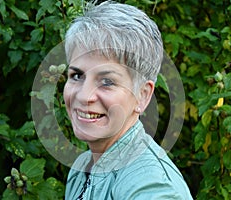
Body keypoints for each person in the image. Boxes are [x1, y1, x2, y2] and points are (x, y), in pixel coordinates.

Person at [63, 1, 193, 199]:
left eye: (107, 81)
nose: (83, 95)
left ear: (143, 95)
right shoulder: (82, 169)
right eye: (77, 76)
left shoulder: (152, 187)